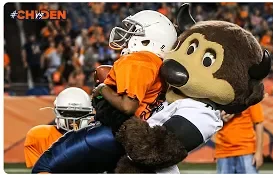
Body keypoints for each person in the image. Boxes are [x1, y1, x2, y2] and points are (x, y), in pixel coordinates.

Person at [32, 9, 178, 173]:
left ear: (149, 40)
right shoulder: (159, 65)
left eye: (133, 31)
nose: (126, 36)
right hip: (138, 137)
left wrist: (102, 88)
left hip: (114, 134)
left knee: (44, 166)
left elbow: (128, 106)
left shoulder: (139, 60)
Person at [24, 87, 93, 168]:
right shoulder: (39, 136)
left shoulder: (97, 136)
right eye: (67, 113)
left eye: (79, 114)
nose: (73, 119)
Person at [215, 103, 264, 174]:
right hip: (223, 150)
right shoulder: (221, 95)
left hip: (246, 150)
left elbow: (258, 122)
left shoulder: (249, 94)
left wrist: (259, 152)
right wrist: (220, 117)